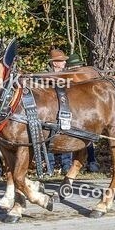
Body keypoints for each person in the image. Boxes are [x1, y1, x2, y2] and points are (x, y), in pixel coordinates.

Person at [44, 48, 73, 176]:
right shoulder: (44, 75)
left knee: (66, 135)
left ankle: (66, 166)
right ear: (54, 63)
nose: (64, 63)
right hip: (49, 111)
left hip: (66, 109)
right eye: (61, 61)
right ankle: (49, 167)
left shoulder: (68, 74)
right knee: (48, 138)